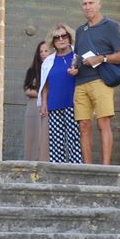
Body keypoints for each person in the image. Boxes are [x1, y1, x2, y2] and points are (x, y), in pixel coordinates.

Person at [72, 0, 120, 165]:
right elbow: (78, 55)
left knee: (103, 123)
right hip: (81, 82)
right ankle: (87, 166)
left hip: (100, 81)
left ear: (99, 4)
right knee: (83, 126)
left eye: (91, 3)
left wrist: (102, 58)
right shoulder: (80, 30)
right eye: (85, 4)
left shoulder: (110, 26)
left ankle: (105, 167)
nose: (88, 7)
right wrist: (74, 66)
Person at [39, 24, 83, 164]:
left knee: (74, 140)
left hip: (74, 105)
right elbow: (45, 84)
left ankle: (77, 171)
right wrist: (44, 103)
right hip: (54, 105)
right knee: (56, 143)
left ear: (69, 37)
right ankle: (57, 174)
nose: (60, 39)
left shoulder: (78, 55)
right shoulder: (48, 61)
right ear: (53, 41)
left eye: (64, 36)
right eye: (57, 37)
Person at [23, 41, 51, 161]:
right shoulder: (32, 70)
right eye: (41, 51)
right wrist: (41, 95)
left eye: (46, 51)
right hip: (34, 106)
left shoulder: (54, 69)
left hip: (50, 105)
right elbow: (27, 90)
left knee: (46, 136)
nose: (43, 54)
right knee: (32, 135)